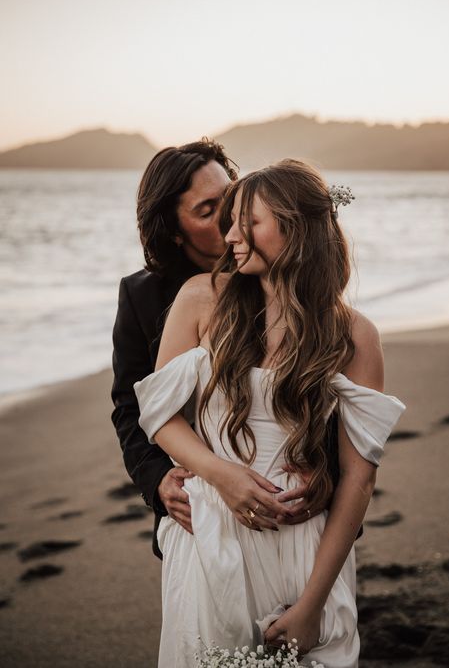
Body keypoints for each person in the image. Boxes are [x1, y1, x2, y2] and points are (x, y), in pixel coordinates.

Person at [134, 159, 406, 666]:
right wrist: (221, 476)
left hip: (303, 535)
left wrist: (312, 604)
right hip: (210, 528)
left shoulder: (355, 335)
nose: (231, 235)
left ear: (296, 228)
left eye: (247, 221)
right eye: (229, 220)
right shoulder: (199, 300)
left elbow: (357, 480)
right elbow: (158, 417)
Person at [111, 140, 322, 560]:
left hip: (297, 502)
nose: (232, 218)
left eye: (232, 196)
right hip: (200, 502)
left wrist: (326, 472)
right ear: (173, 231)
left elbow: (327, 387)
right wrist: (157, 480)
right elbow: (130, 404)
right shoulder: (144, 296)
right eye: (208, 211)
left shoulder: (289, 276)